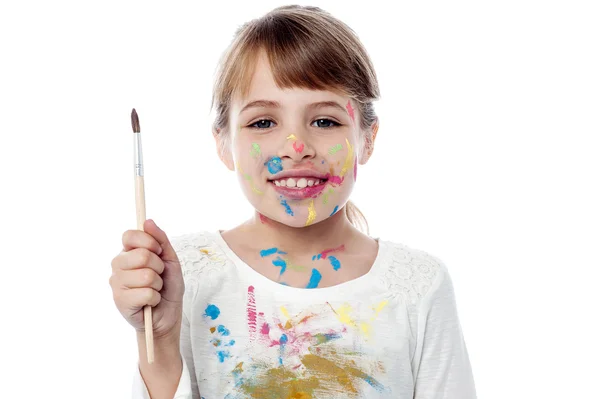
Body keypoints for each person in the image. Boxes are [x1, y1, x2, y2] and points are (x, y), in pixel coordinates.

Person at [110, 5, 477, 399]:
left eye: (325, 121)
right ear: (223, 143)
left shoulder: (418, 286)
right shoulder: (185, 276)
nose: (296, 147)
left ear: (367, 138)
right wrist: (161, 342)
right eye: (263, 123)